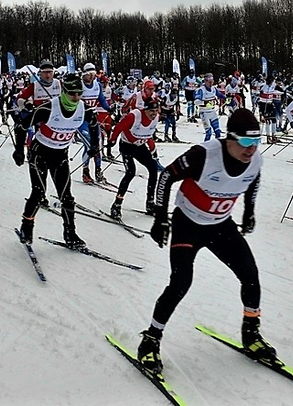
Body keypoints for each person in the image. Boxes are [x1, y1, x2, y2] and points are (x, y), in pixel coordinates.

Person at [137, 109, 276, 374]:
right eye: (246, 142)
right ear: (229, 139)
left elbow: (253, 180)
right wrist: (160, 218)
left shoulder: (254, 159)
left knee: (250, 274)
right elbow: (166, 176)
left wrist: (249, 211)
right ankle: (151, 340)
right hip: (187, 225)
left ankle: (251, 334)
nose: (251, 149)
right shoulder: (204, 155)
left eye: (256, 142)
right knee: (180, 282)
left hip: (220, 225)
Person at [12, 73, 98, 249]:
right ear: (64, 91)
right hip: (39, 152)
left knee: (66, 196)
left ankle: (70, 233)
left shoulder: (84, 109)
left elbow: (94, 125)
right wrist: (19, 150)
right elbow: (21, 126)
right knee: (38, 192)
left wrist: (94, 146)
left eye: (79, 93)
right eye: (72, 93)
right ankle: (27, 226)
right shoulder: (49, 108)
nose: (76, 97)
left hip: (60, 155)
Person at [108, 98, 161, 219]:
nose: (154, 113)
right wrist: (112, 140)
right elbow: (119, 127)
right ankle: (116, 204)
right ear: (145, 109)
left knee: (153, 169)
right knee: (131, 172)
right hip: (127, 146)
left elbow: (149, 135)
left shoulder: (155, 119)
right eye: (152, 111)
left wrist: (153, 150)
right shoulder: (134, 116)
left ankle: (150, 203)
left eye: (156, 110)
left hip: (139, 146)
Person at [79, 63, 112, 183]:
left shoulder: (97, 85)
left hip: (93, 119)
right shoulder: (79, 85)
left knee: (97, 145)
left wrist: (109, 108)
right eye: (90, 75)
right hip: (81, 120)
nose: (92, 77)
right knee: (89, 144)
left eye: (94, 74)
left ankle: (98, 171)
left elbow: (102, 100)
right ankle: (85, 172)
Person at [194, 73, 225, 141]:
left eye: (212, 82)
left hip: (213, 112)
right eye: (209, 82)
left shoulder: (214, 89)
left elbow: (220, 95)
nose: (210, 84)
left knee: (217, 132)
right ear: (205, 81)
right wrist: (205, 103)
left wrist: (227, 98)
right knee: (209, 133)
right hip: (204, 113)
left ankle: (218, 147)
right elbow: (196, 101)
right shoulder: (201, 90)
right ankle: (205, 148)